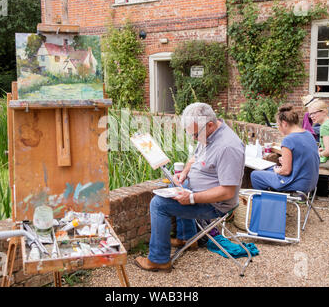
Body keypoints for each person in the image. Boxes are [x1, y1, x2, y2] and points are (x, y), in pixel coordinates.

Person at [134, 102, 245, 272]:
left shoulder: (228, 147)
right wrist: (184, 173)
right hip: (197, 191)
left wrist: (192, 198)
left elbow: (227, 191)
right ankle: (188, 238)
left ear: (209, 125)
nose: (193, 139)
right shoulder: (208, 134)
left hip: (216, 205)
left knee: (158, 204)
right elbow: (194, 158)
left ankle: (158, 260)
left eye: (195, 135)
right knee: (178, 185)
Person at [250, 104, 319, 193]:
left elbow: (286, 171)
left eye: (278, 125)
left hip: (297, 184)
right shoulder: (308, 134)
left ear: (284, 123)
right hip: (311, 182)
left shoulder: (288, 140)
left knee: (255, 175)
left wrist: (277, 170)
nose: (278, 128)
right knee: (267, 169)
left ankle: (267, 203)